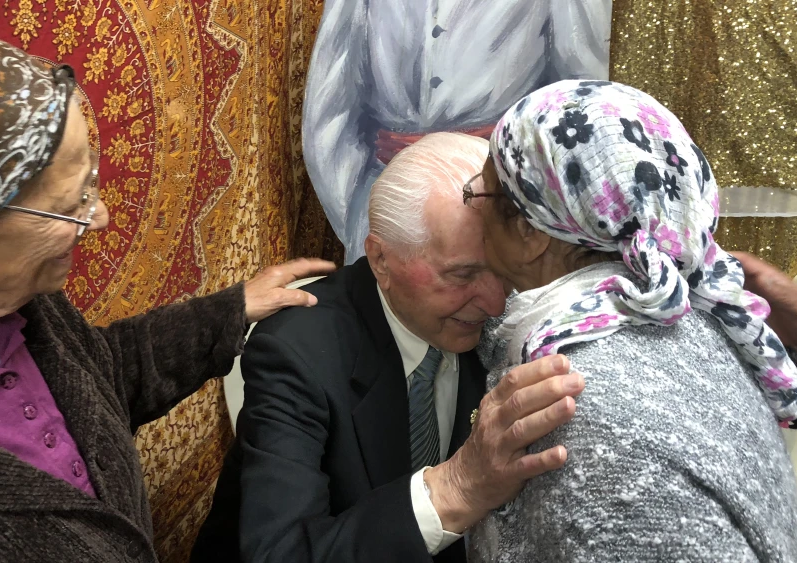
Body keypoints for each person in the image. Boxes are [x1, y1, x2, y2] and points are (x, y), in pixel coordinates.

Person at [0, 26, 334, 562]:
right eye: (69, 205)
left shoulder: (19, 306)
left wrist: (232, 309)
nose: (100, 214)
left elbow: (98, 376)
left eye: (92, 181)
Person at [193, 133, 587, 563]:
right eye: (461, 276)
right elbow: (281, 553)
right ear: (381, 260)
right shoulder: (295, 352)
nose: (494, 303)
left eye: (501, 271)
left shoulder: (514, 321)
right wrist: (458, 487)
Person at [463, 79, 797, 561]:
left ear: (528, 232)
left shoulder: (572, 400)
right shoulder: (692, 324)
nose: (471, 212)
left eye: (477, 194)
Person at [302, 0, 611, 263]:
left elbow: (579, 101)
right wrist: (360, 220)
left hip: (506, 206)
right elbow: (330, 112)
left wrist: (534, 219)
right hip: (384, 204)